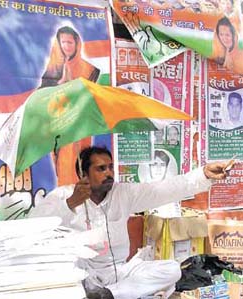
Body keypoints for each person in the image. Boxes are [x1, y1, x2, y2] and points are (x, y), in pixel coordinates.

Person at [29, 146, 229, 299]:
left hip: (119, 272)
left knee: (171, 269)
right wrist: (71, 203)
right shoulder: (63, 195)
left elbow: (165, 189)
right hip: (82, 274)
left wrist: (202, 174)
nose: (109, 173)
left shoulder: (123, 193)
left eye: (110, 167)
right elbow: (36, 226)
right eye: (101, 168)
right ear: (83, 174)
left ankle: (109, 295)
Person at [40, 26, 100, 185]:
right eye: (63, 42)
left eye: (70, 42)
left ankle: (80, 199)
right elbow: (43, 96)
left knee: (78, 163)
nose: (66, 46)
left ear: (77, 44)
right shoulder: (53, 68)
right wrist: (61, 84)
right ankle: (67, 200)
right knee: (62, 166)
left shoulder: (89, 69)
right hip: (58, 127)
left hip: (80, 127)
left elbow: (90, 99)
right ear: (58, 44)